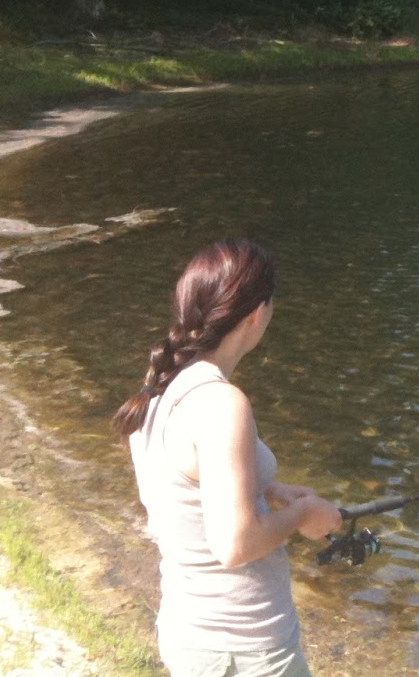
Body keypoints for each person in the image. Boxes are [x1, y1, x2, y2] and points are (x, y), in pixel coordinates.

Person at [112, 239, 342, 677]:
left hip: (190, 632)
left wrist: (265, 488)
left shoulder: (160, 388)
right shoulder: (222, 404)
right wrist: (303, 515)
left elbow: (189, 486)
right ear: (258, 314)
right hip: (245, 649)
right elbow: (235, 545)